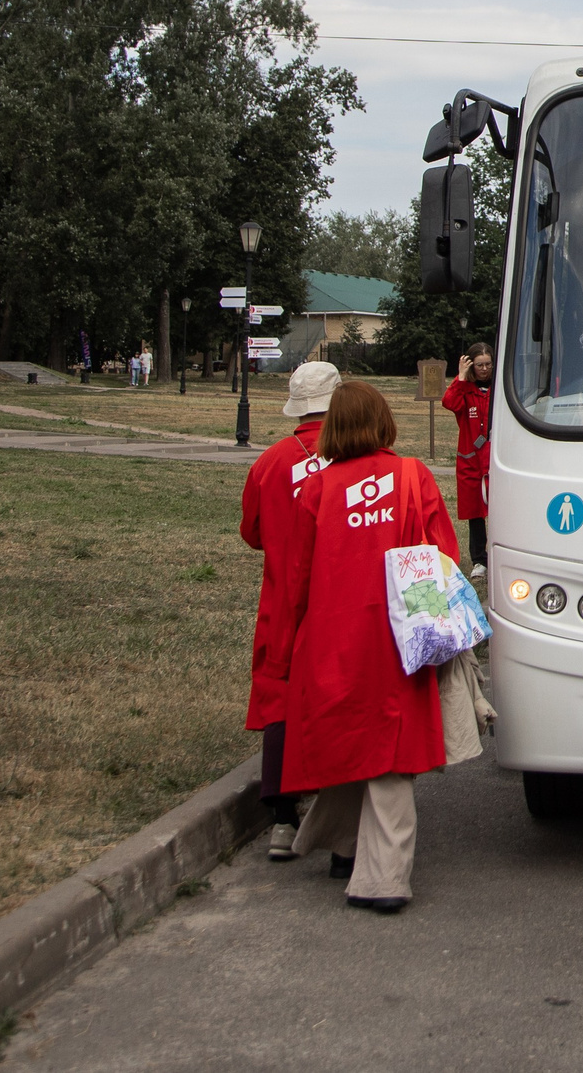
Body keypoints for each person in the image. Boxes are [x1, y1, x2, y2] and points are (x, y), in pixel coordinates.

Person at [279, 381, 462, 912]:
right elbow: (442, 554)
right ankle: (383, 878)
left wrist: (291, 645)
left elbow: (299, 575)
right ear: (385, 421)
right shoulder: (413, 475)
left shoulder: (317, 488)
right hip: (397, 635)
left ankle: (342, 847)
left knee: (345, 737)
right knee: (390, 753)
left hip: (332, 638)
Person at [239, 361, 339, 860]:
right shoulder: (356, 459)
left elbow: (252, 533)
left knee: (281, 699)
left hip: (282, 600)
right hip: (338, 602)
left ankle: (282, 819)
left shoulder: (269, 463)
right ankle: (337, 807)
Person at [443, 345, 495, 574]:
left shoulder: (500, 389)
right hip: (470, 461)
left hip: (493, 460)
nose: (484, 369)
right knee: (475, 513)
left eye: (488, 364)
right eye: (479, 365)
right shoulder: (465, 390)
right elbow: (449, 402)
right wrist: (461, 378)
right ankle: (479, 560)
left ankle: (498, 554)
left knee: (499, 511)